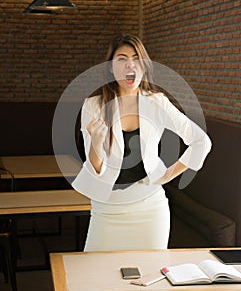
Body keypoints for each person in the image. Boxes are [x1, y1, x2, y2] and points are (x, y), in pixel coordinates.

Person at [72, 34, 211, 251]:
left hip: (150, 208)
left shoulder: (157, 102)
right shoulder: (93, 106)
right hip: (107, 209)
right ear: (110, 67)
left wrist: (166, 175)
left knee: (149, 277)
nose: (130, 64)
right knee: (95, 278)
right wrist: (96, 144)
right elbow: (95, 169)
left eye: (136, 58)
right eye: (122, 59)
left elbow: (201, 141)